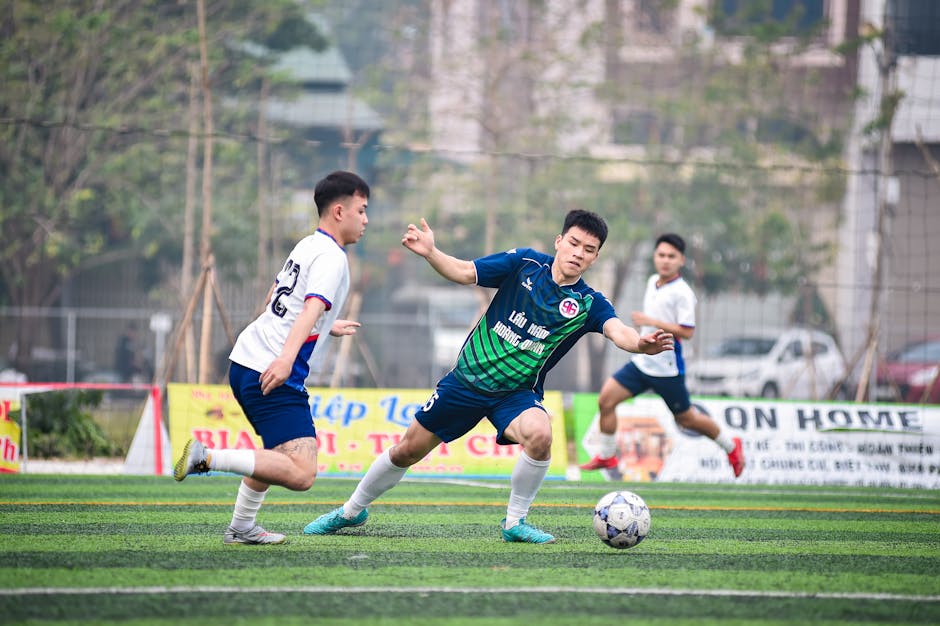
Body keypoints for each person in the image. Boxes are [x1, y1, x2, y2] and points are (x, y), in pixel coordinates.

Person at [303, 209, 674, 544]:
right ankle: (350, 511)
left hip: (515, 394)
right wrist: (432, 252)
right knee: (406, 450)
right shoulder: (523, 263)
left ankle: (515, 522)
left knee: (541, 434)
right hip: (466, 382)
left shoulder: (589, 303)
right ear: (559, 241)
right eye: (574, 243)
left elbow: (618, 331)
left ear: (595, 257)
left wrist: (642, 344)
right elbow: (466, 272)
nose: (578, 252)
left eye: (589, 249)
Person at [174, 170, 370, 545]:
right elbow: (310, 306)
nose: (366, 220)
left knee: (275, 453)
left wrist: (328, 324)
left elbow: (275, 300)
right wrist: (284, 358)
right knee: (301, 473)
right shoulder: (332, 258)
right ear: (340, 211)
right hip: (271, 369)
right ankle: (206, 458)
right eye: (362, 211)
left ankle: (242, 526)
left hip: (247, 360)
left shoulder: (307, 245)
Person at [579, 233, 745, 478]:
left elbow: (687, 332)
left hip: (667, 368)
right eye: (661, 255)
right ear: (655, 257)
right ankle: (606, 455)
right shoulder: (653, 281)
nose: (665, 260)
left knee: (687, 419)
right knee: (606, 400)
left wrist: (652, 321)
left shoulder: (682, 293)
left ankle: (732, 447)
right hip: (643, 362)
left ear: (681, 260)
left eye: (671, 256)